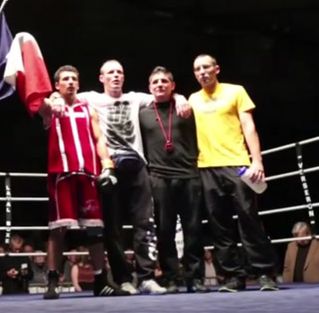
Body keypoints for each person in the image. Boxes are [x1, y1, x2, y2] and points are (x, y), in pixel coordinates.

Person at [52, 60, 190, 294]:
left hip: (137, 167)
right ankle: (123, 278)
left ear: (123, 78)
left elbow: (163, 93)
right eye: (110, 73)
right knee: (112, 227)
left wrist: (181, 98)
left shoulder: (137, 98)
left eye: (119, 72)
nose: (115, 76)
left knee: (145, 224)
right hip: (109, 168)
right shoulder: (91, 97)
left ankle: (146, 277)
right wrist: (54, 98)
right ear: (101, 78)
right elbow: (63, 95)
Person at [189, 53, 278, 292]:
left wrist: (257, 161)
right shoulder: (193, 99)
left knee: (250, 218)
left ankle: (263, 273)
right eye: (197, 69)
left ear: (216, 69)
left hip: (237, 164)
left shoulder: (235, 91)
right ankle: (232, 276)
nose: (202, 72)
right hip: (206, 166)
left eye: (206, 67)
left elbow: (249, 125)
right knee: (219, 226)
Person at [39, 65, 126, 299]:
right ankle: (53, 280)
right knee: (58, 229)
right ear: (57, 84)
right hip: (62, 174)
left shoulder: (88, 109)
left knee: (95, 229)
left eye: (74, 79)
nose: (70, 82)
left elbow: (98, 138)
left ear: (78, 83)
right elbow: (38, 103)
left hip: (88, 174)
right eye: (65, 79)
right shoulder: (52, 108)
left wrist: (106, 163)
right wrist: (52, 97)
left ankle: (101, 280)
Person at [138, 66, 208, 294]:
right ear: (149, 88)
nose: (159, 84)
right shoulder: (143, 112)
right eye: (155, 82)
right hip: (159, 178)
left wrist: (180, 98)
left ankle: (195, 278)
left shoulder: (187, 107)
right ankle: (171, 278)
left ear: (172, 85)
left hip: (189, 175)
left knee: (194, 230)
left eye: (164, 81)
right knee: (165, 231)